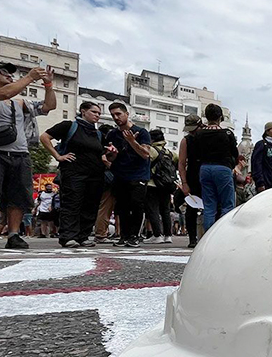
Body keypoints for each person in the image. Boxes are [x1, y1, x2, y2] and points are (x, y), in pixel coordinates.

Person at [0, 62, 56, 250]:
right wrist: (30, 77)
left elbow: (49, 106)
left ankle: (14, 234)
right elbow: (4, 93)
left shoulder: (20, 102)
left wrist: (48, 85)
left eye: (10, 73)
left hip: (20, 153)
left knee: (19, 196)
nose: (8, 75)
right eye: (2, 72)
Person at [39, 101, 117, 247]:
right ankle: (68, 236)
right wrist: (58, 156)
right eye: (94, 112)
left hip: (95, 175)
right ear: (83, 111)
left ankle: (83, 236)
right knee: (72, 204)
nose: (97, 115)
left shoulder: (98, 134)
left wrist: (112, 154)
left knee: (90, 205)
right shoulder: (69, 126)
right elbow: (44, 137)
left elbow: (104, 155)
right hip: (74, 173)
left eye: (99, 113)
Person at [107, 102, 151, 248]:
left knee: (137, 205)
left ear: (127, 114)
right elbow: (109, 158)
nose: (116, 117)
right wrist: (112, 154)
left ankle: (135, 236)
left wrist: (132, 141)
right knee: (122, 207)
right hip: (120, 175)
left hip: (138, 175)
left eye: (118, 114)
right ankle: (124, 236)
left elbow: (145, 154)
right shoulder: (112, 134)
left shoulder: (141, 132)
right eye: (113, 115)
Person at [190, 104, 239, 232]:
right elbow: (235, 154)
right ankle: (222, 233)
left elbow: (195, 154)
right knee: (227, 204)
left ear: (206, 117)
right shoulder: (227, 133)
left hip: (205, 168)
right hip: (223, 168)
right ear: (220, 117)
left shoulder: (199, 134)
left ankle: (208, 234)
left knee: (209, 205)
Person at [144, 128, 178, 244]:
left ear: (151, 139)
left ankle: (157, 235)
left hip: (152, 184)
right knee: (165, 210)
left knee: (153, 209)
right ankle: (168, 235)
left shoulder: (151, 150)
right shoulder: (170, 153)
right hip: (167, 185)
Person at [179, 114, 203, 247]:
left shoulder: (207, 136)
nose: (192, 133)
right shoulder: (186, 140)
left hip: (207, 174)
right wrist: (184, 183)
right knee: (191, 209)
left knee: (211, 207)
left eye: (194, 129)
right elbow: (181, 163)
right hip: (193, 175)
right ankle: (192, 238)